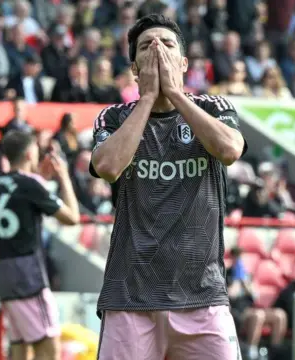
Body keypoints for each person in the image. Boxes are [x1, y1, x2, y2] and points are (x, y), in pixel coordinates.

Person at [89, 14, 247, 360]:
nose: (158, 51)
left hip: (202, 296)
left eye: (167, 44)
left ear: (184, 62)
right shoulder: (113, 117)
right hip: (130, 298)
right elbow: (108, 167)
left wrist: (174, 93)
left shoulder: (214, 107)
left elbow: (230, 150)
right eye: (147, 46)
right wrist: (147, 99)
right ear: (134, 68)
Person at [0, 130, 80, 360]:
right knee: (49, 345)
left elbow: (24, 194)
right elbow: (72, 217)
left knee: (20, 347)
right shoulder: (32, 185)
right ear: (31, 152)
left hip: (4, 272)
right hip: (28, 275)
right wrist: (64, 177)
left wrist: (40, 179)